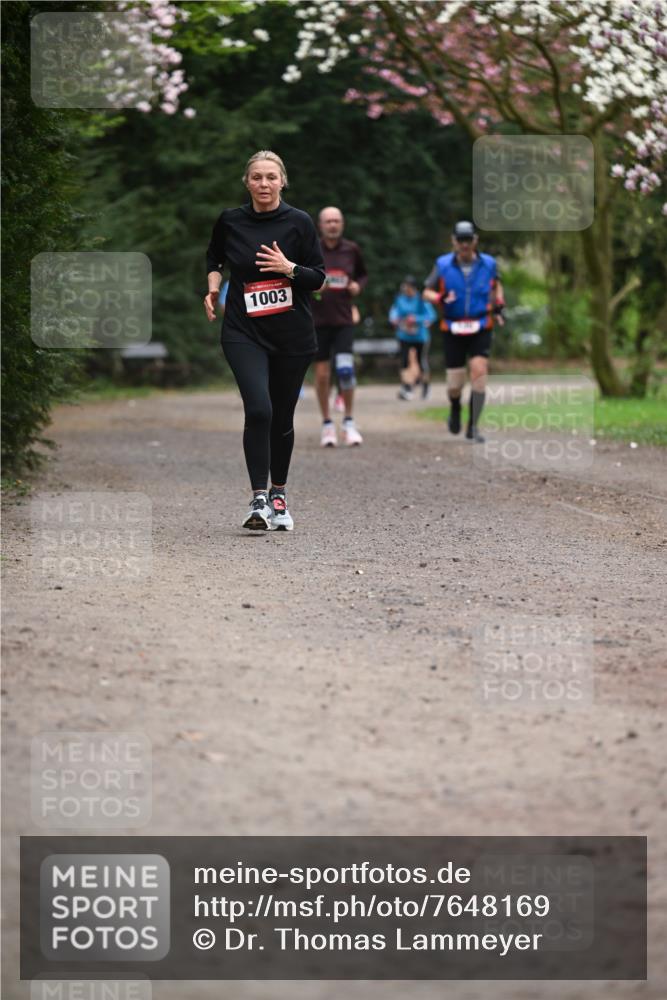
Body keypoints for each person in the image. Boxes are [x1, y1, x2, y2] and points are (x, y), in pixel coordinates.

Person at [205, 150, 325, 530]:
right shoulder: (231, 221)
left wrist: (288, 268)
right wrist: (212, 287)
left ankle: (279, 494)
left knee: (282, 418)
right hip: (244, 331)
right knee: (259, 409)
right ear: (247, 182)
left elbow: (319, 278)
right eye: (256, 177)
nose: (264, 184)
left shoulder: (300, 223)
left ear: (282, 181)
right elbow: (214, 257)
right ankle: (258, 499)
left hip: (292, 334)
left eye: (271, 177)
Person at [423, 221, 505, 442]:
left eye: (468, 240)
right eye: (461, 240)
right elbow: (426, 292)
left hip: (481, 324)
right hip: (453, 326)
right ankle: (456, 408)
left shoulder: (489, 263)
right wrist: (440, 298)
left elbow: (497, 284)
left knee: (479, 373)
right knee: (454, 384)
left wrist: (498, 305)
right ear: (454, 241)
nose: (465, 244)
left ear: (475, 241)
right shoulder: (442, 264)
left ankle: (473, 426)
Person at [311, 206, 368, 447]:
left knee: (345, 371)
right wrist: (314, 285)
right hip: (318, 321)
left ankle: (348, 422)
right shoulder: (312, 249)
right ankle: (326, 424)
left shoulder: (351, 249)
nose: (332, 225)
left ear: (342, 224)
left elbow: (363, 275)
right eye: (328, 221)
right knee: (323, 374)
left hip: (344, 320)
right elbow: (300, 278)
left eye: (336, 221)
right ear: (320, 225)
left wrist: (358, 287)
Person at [388, 276, 437, 401]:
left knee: (421, 362)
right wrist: (394, 318)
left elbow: (431, 315)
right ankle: (406, 388)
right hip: (404, 335)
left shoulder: (421, 299)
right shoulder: (400, 299)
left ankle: (426, 387)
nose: (406, 289)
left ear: (414, 288)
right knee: (404, 361)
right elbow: (394, 312)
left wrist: (416, 319)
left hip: (420, 336)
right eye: (404, 287)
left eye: (408, 287)